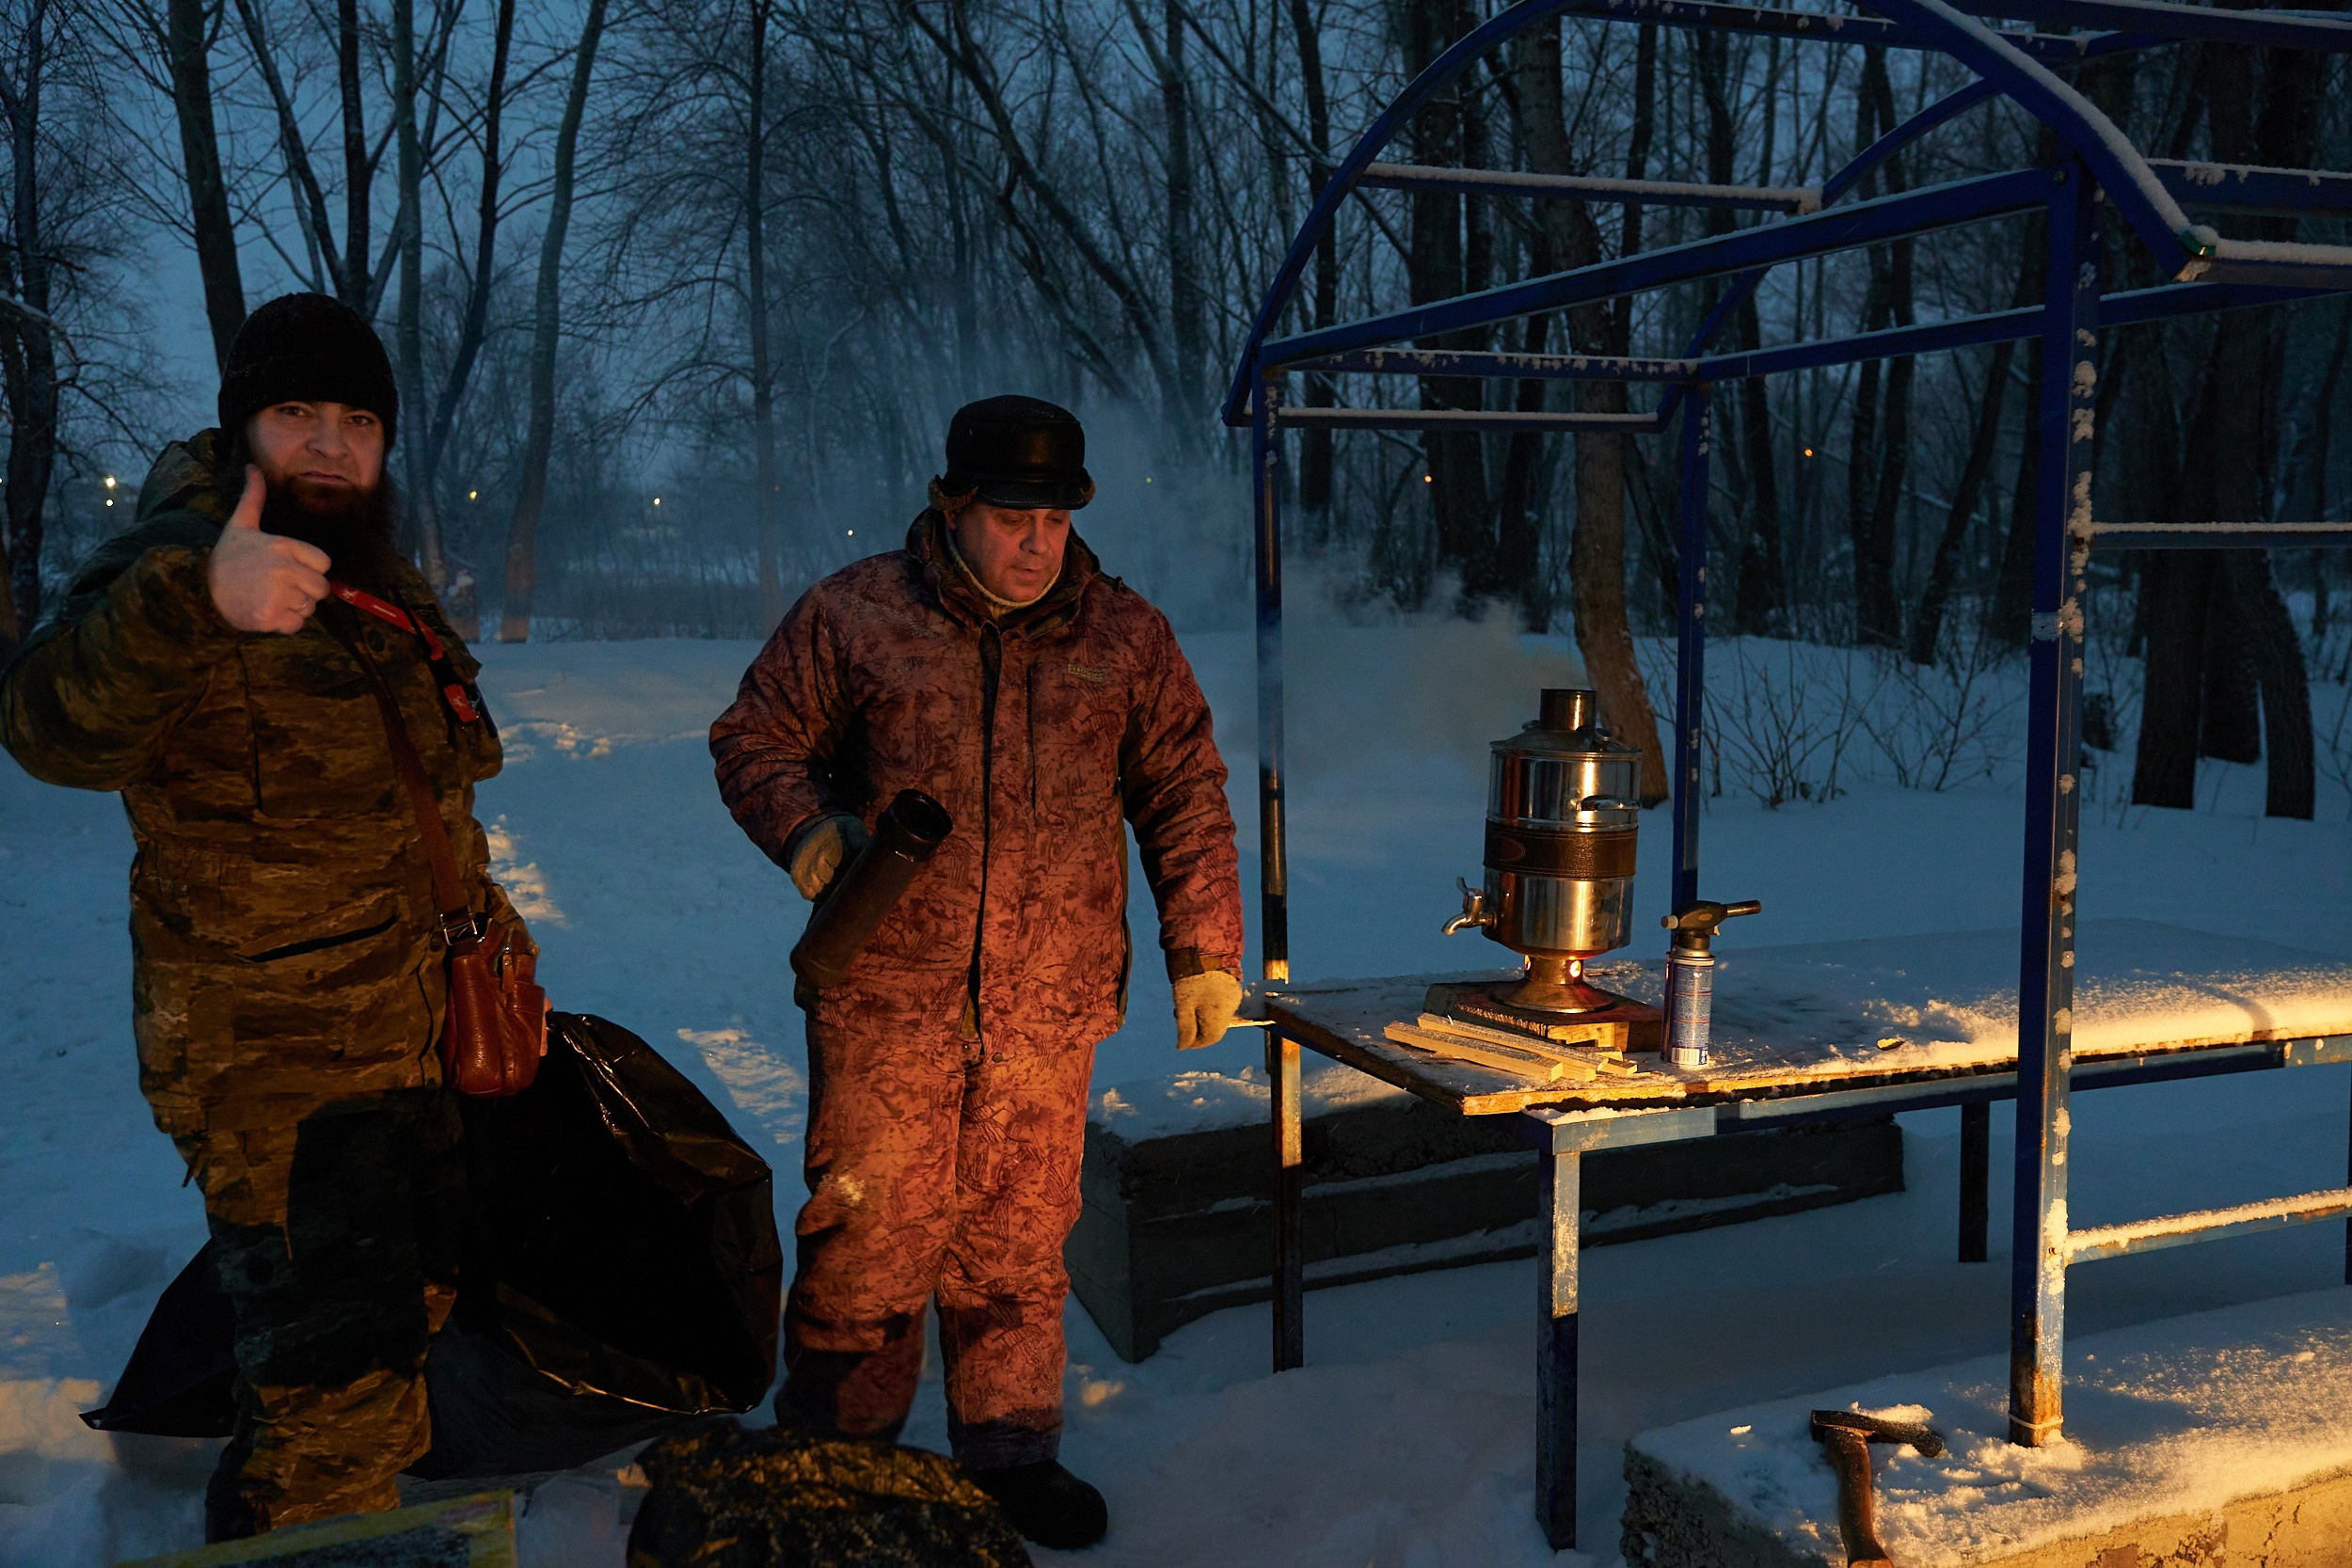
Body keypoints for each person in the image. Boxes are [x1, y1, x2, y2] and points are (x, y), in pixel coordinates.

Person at [0, 293, 533, 1540]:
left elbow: (429, 796)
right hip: (276, 1071)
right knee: (337, 1406)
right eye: (298, 412)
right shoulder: (179, 560)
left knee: (384, 1341)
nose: (332, 443)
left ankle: (288, 1504)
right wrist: (197, 600)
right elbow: (45, 725)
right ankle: (299, 1532)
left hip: (411, 1038)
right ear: (242, 422)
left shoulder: (376, 576)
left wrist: (494, 938)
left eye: (359, 420)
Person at [709, 394, 1246, 1549]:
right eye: (1011, 517)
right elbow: (753, 736)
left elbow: (1183, 789)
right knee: (868, 1231)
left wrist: (1203, 945)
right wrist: (808, 830)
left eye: (1054, 518)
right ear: (951, 505)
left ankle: (1009, 1451)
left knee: (1017, 1238)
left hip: (1045, 1004)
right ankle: (841, 1452)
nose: (1036, 543)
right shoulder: (857, 613)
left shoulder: (1123, 635)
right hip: (885, 995)